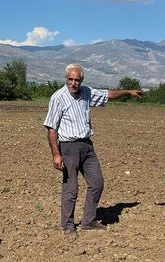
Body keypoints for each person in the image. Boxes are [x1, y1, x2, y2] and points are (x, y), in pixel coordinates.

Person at [44, 63, 142, 238]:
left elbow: (107, 95)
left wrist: (128, 92)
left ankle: (89, 221)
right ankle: (68, 225)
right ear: (66, 79)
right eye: (70, 79)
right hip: (68, 147)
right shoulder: (58, 97)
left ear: (81, 80)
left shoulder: (86, 92)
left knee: (97, 183)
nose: (73, 83)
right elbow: (51, 128)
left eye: (77, 80)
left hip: (87, 146)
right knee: (71, 188)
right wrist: (56, 154)